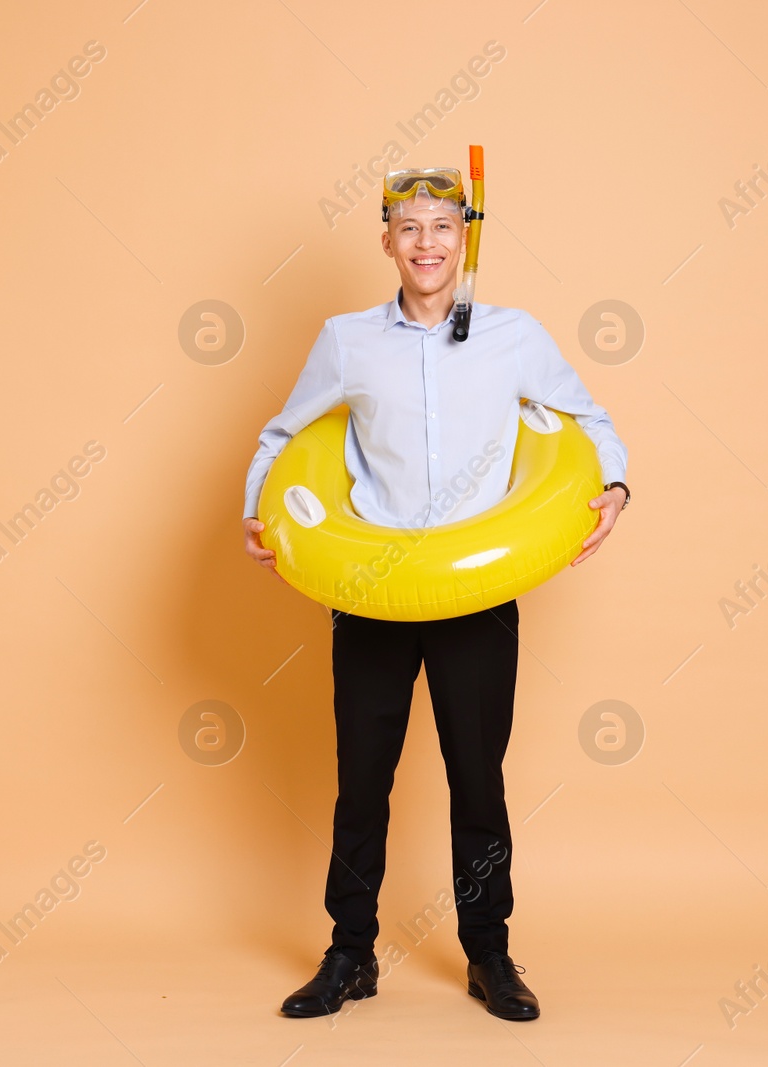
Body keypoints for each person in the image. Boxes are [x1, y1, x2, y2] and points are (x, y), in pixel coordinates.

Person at [242, 163, 630, 1022]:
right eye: (409, 227)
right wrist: (256, 510)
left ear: (466, 239)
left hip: (478, 596)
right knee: (362, 781)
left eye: (443, 228)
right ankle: (350, 954)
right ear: (386, 240)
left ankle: (489, 953)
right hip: (372, 590)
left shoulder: (514, 335)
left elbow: (592, 422)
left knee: (477, 779)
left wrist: (616, 487)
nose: (426, 243)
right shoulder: (347, 340)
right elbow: (282, 435)